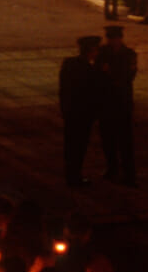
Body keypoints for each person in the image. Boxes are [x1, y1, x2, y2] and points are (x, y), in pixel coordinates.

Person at [58, 36, 105, 188]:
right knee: (79, 146)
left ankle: (70, 174)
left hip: (70, 112)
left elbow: (63, 89)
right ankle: (75, 177)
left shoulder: (69, 64)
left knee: (70, 144)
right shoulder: (90, 70)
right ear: (91, 51)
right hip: (83, 115)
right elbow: (94, 92)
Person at [100, 26, 139, 187]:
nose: (113, 41)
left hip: (122, 101)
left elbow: (129, 75)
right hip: (107, 101)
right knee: (108, 138)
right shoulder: (103, 53)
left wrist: (111, 75)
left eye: (115, 38)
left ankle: (128, 172)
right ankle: (112, 167)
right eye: (110, 38)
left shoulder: (129, 54)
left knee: (125, 140)